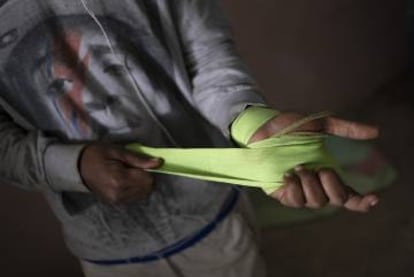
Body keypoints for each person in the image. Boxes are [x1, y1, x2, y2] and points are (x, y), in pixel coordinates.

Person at [0, 0, 379, 276]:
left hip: (213, 221)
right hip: (106, 249)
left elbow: (208, 56)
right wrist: (73, 167)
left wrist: (249, 121)